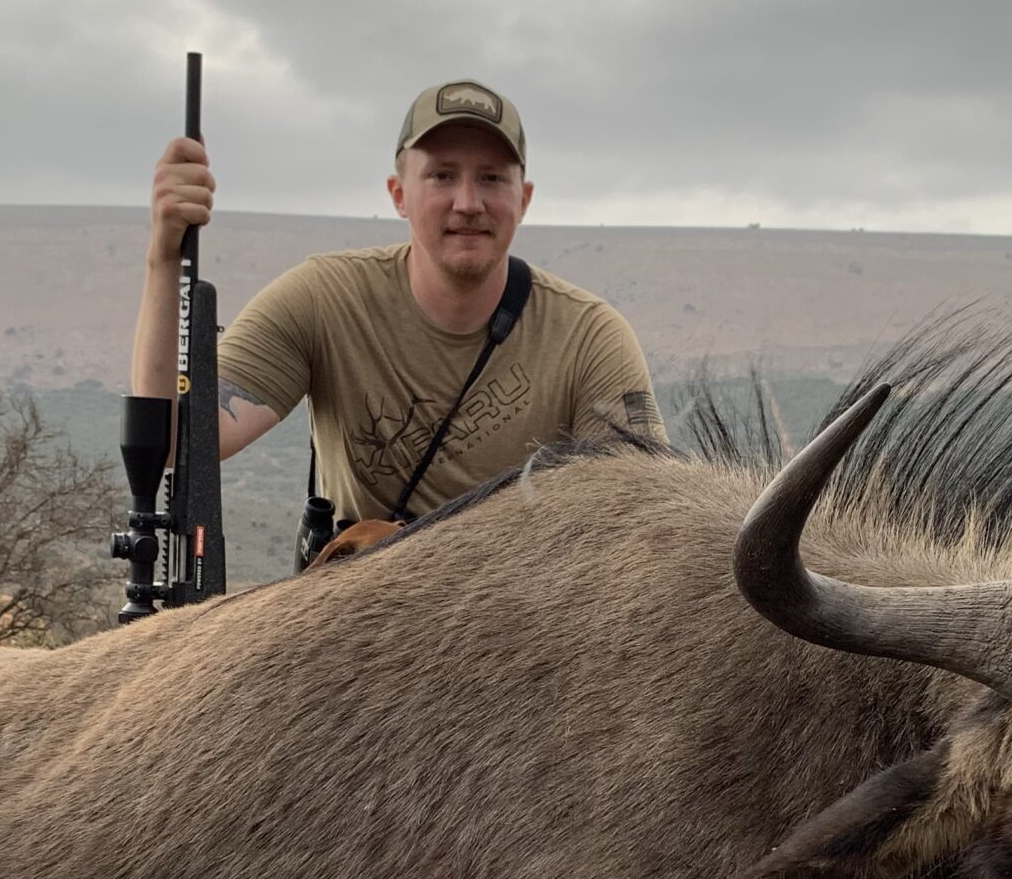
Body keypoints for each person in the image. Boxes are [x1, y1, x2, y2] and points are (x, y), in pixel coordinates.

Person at [129, 79, 662, 550]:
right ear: (399, 194)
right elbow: (179, 441)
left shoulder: (591, 338)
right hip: (364, 625)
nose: (468, 202)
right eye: (442, 176)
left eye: (492, 179)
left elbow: (642, 518)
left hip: (523, 628)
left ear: (524, 199)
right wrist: (163, 258)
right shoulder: (323, 298)